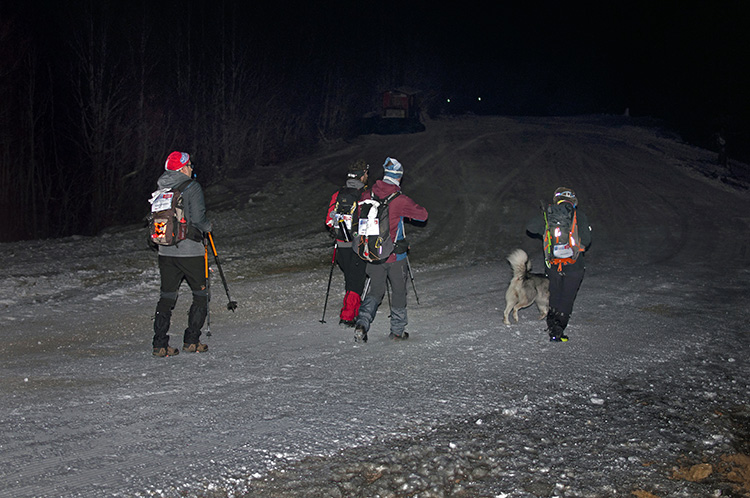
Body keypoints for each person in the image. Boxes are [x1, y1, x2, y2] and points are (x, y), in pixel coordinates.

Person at [354, 157, 428, 343]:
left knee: (375, 291)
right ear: (399, 178)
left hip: (373, 254)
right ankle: (397, 331)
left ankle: (362, 323)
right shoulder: (399, 199)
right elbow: (423, 215)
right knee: (398, 291)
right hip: (395, 256)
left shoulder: (367, 195)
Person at [151, 151, 212, 357]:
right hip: (190, 252)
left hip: (165, 250)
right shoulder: (192, 187)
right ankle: (192, 341)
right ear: (182, 168)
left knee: (166, 296)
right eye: (189, 165)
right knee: (201, 294)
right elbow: (198, 219)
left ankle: (159, 344)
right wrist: (209, 227)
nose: (192, 168)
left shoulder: (161, 187)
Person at [526, 187, 591, 342]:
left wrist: (546, 217)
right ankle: (558, 329)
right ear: (573, 201)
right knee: (567, 298)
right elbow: (587, 241)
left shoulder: (548, 215)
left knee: (554, 296)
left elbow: (530, 227)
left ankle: (552, 325)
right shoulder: (579, 215)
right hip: (575, 265)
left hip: (553, 265)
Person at [324, 160, 370, 327]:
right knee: (356, 281)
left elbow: (329, 221)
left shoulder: (338, 194)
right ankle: (347, 316)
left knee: (351, 279)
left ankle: (354, 311)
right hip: (358, 244)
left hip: (341, 243)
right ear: (361, 175)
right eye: (366, 173)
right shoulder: (365, 195)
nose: (367, 176)